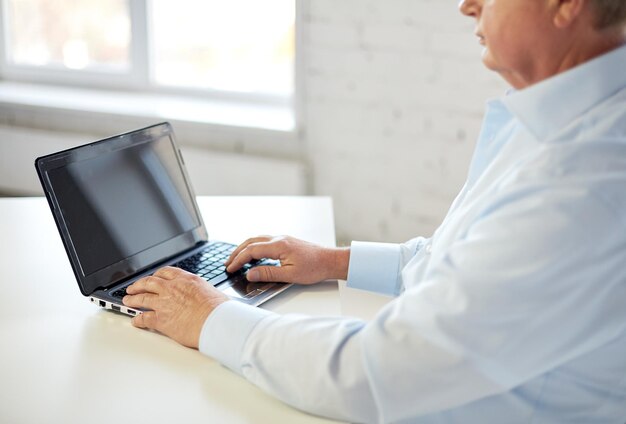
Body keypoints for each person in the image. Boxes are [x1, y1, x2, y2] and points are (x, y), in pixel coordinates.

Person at [123, 0, 626, 422]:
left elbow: (379, 372)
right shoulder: (556, 118)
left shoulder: (586, 182)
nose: (467, 5)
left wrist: (210, 316)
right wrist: (332, 261)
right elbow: (461, 264)